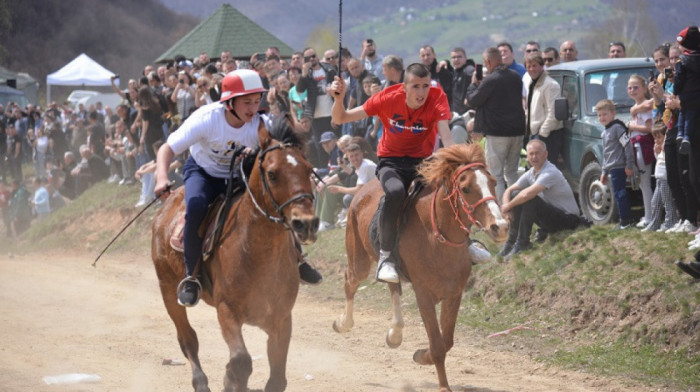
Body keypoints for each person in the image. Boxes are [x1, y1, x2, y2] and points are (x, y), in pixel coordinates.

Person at [154, 70, 322, 307]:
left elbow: (285, 150)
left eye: (256, 101)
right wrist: (161, 177)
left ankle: (298, 259)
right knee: (195, 206)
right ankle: (191, 277)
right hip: (204, 173)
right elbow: (166, 149)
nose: (253, 108)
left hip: (240, 174)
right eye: (247, 102)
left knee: (274, 203)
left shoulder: (262, 123)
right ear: (229, 102)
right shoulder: (206, 118)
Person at [329, 63, 455, 284]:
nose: (422, 92)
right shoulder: (386, 98)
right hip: (391, 161)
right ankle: (386, 257)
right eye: (415, 86)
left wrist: (453, 164)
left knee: (450, 185)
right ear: (403, 87)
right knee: (396, 192)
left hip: (422, 161)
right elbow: (341, 118)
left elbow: (446, 138)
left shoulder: (437, 97)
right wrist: (339, 99)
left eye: (425, 86)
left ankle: (466, 242)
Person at [499, 139, 588, 257]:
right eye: (531, 154)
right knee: (516, 195)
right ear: (527, 156)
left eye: (537, 153)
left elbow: (527, 194)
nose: (534, 157)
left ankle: (523, 243)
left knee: (530, 199)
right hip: (551, 217)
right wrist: (507, 208)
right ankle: (511, 242)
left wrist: (508, 206)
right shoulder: (532, 172)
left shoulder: (550, 172)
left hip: (568, 219)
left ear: (545, 154)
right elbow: (509, 190)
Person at [466, 47, 526, 200]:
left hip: (497, 134)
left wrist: (473, 84)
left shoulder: (491, 79)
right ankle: (517, 206)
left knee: (496, 175)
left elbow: (474, 100)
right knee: (512, 173)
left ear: (488, 61)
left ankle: (502, 209)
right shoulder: (515, 77)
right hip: (517, 132)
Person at [596, 99, 634, 229]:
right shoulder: (604, 132)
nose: (602, 118)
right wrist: (604, 172)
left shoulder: (617, 128)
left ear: (613, 114)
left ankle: (625, 221)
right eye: (599, 115)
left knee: (620, 194)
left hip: (619, 167)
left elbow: (628, 146)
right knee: (618, 193)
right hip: (611, 168)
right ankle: (626, 218)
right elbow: (606, 155)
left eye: (605, 114)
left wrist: (629, 165)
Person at [523, 53, 564, 163]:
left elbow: (554, 112)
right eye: (529, 66)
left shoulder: (550, 85)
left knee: (546, 170)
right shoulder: (530, 83)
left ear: (542, 66)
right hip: (534, 133)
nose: (532, 69)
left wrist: (542, 134)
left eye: (535, 65)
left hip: (548, 136)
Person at [626, 75, 654, 228]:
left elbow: (649, 129)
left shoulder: (644, 107)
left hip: (643, 146)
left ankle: (650, 217)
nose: (632, 90)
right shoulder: (636, 107)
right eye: (630, 87)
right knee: (643, 184)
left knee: (645, 183)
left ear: (644, 88)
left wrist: (632, 126)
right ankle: (648, 215)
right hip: (636, 146)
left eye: (636, 87)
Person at [642, 123, 678, 232]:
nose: (657, 140)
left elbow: (668, 162)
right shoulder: (660, 150)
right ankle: (654, 224)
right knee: (655, 202)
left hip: (665, 179)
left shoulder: (669, 149)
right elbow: (659, 160)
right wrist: (656, 152)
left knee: (668, 202)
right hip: (659, 179)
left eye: (659, 137)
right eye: (655, 138)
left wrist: (663, 149)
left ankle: (670, 222)